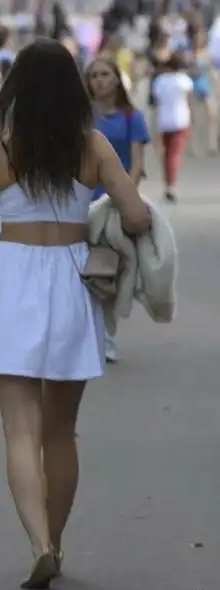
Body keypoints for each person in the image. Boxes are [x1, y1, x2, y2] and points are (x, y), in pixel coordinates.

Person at [0, 39, 151, 590]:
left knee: (19, 429)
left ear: (16, 91)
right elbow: (136, 215)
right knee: (61, 432)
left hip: (13, 276)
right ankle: (58, 544)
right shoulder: (92, 146)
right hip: (71, 276)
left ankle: (39, 543)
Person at [85, 56, 150, 363]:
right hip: (81, 202)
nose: (99, 80)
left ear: (116, 80)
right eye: (94, 75)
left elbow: (136, 165)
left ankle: (106, 334)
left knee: (107, 269)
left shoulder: (131, 118)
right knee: (81, 270)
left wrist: (124, 198)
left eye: (105, 74)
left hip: (112, 205)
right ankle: (87, 330)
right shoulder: (81, 117)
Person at [152, 52, 193, 202]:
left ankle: (168, 183)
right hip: (181, 119)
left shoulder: (160, 80)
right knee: (174, 154)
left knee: (167, 153)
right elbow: (189, 98)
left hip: (164, 119)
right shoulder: (184, 80)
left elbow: (156, 98)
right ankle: (170, 186)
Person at [185, 28, 218, 154]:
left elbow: (212, 70)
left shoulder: (207, 54)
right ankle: (190, 145)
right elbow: (185, 71)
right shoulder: (189, 54)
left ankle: (212, 145)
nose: (199, 39)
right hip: (193, 88)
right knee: (192, 118)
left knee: (212, 115)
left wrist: (216, 82)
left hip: (205, 88)